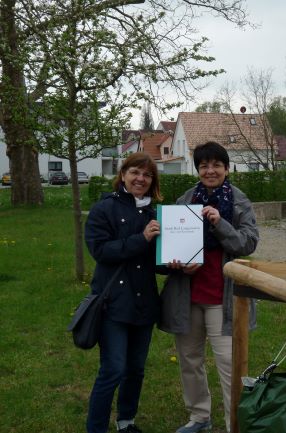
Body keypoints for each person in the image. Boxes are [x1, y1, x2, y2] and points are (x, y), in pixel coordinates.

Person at [159, 141, 259, 433]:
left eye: (216, 165)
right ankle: (199, 416)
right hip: (188, 295)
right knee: (190, 360)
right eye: (204, 166)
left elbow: (248, 243)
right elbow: (171, 246)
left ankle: (234, 425)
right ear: (198, 170)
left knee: (229, 364)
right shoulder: (186, 200)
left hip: (223, 297)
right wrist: (176, 262)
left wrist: (220, 223)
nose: (210, 171)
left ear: (227, 168)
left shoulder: (238, 201)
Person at [84, 152, 163, 433]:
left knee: (136, 369)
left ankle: (126, 421)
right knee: (113, 369)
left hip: (144, 304)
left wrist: (179, 264)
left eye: (147, 174)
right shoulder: (104, 209)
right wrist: (141, 238)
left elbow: (157, 260)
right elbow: (101, 250)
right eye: (135, 172)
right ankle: (96, 428)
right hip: (113, 304)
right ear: (123, 175)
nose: (141, 179)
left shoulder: (155, 213)